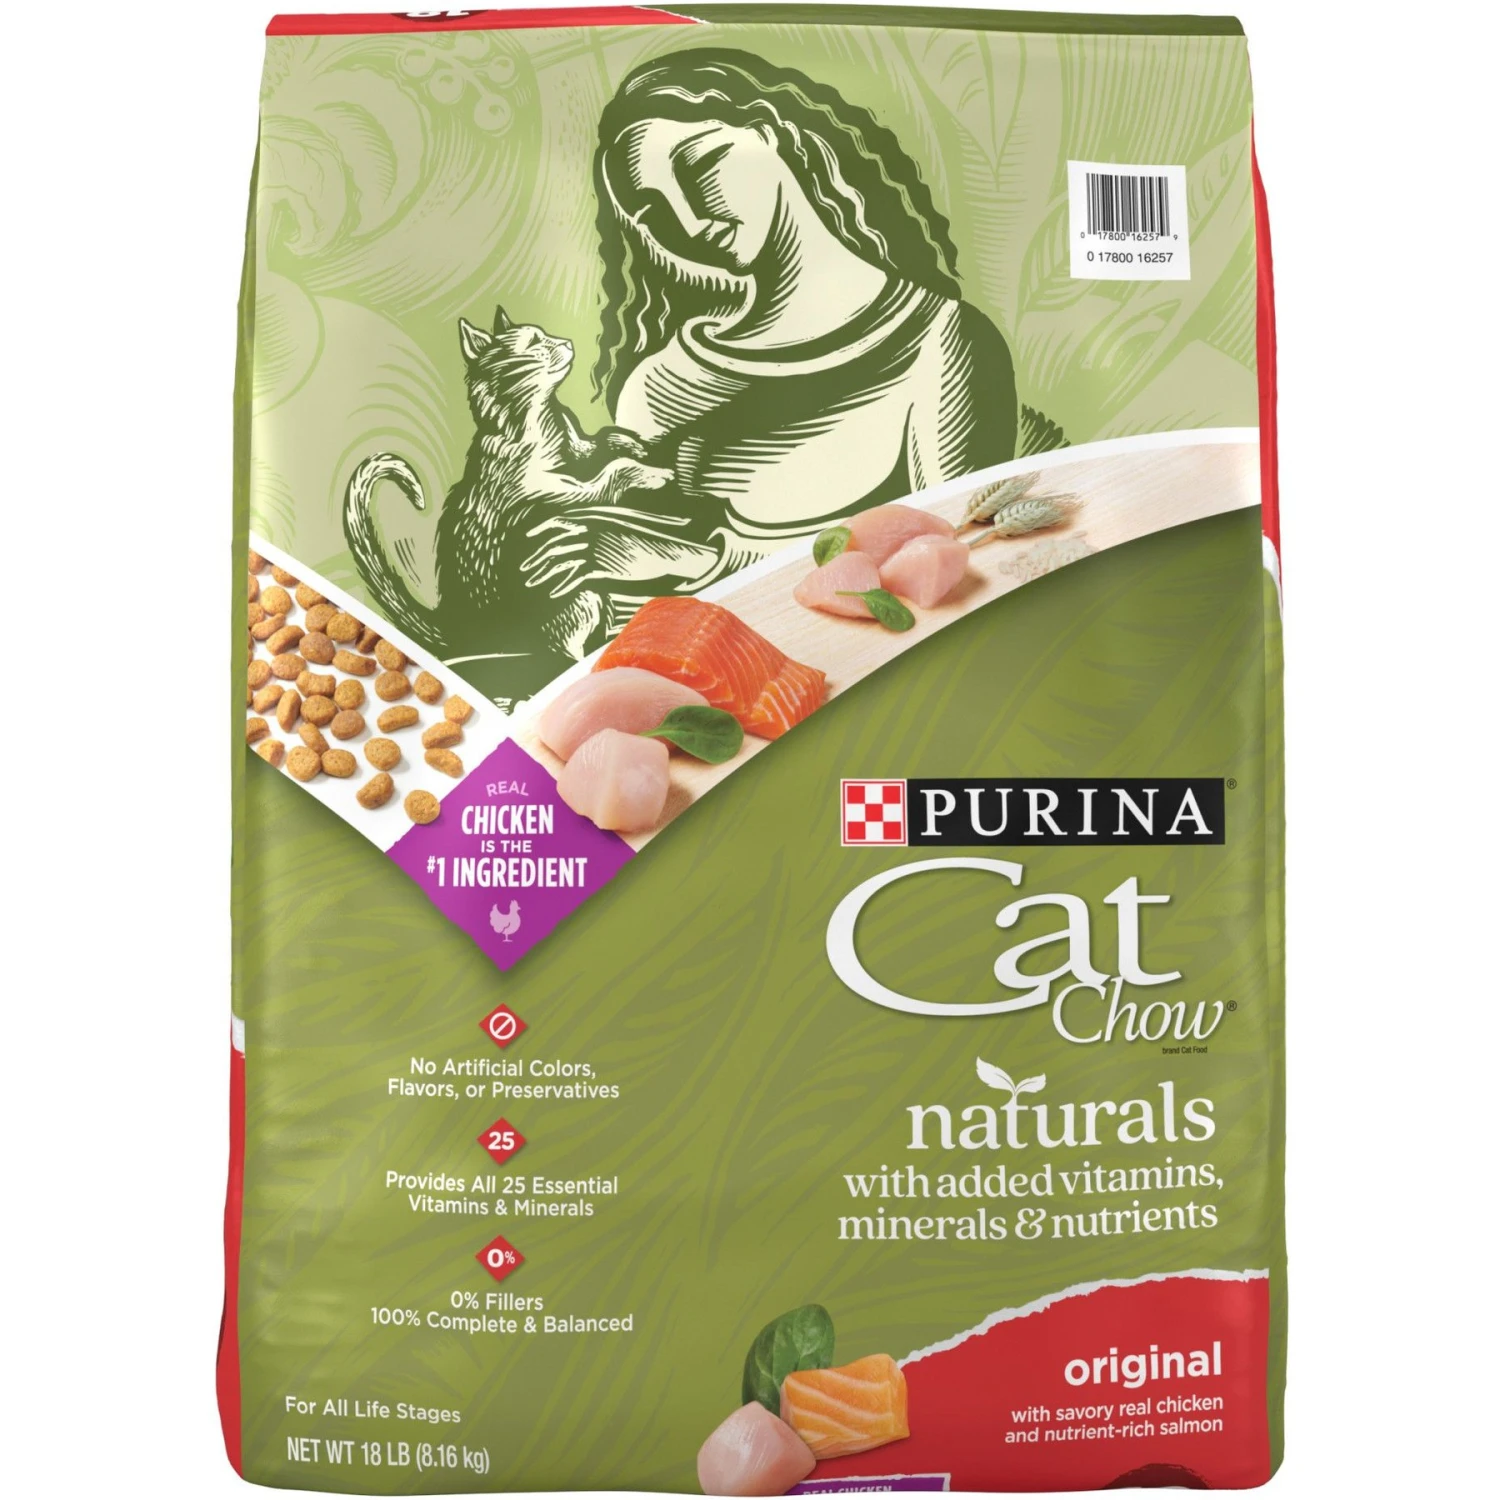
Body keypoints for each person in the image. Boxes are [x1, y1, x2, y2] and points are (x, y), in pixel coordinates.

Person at [523, 47, 1019, 599]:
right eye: (652, 210)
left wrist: (693, 557)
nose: (690, 220)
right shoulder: (656, 385)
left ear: (773, 132)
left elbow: (952, 568)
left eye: (700, 165)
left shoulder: (940, 341)